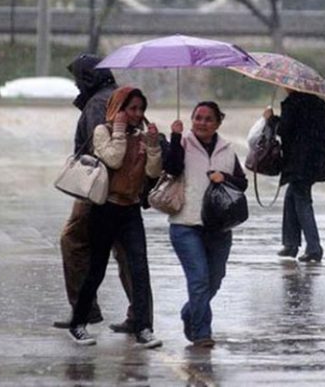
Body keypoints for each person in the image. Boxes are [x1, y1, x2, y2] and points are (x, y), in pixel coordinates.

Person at [68, 86, 162, 348]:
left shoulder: (143, 138)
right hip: (105, 208)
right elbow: (113, 161)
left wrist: (153, 146)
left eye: (141, 109)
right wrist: (119, 131)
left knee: (139, 269)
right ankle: (78, 323)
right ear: (118, 108)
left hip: (130, 210)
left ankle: (143, 327)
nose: (137, 114)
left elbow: (153, 173)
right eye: (131, 108)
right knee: (96, 268)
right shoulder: (103, 131)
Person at [56, 53, 143, 333]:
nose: (76, 85)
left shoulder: (97, 103)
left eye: (78, 78)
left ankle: (85, 310)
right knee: (126, 254)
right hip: (125, 190)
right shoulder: (119, 96)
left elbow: (99, 150)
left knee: (73, 241)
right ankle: (139, 314)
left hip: (99, 190)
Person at [163, 101, 248, 348]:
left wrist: (226, 177)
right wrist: (176, 135)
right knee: (199, 279)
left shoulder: (227, 150)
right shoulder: (181, 143)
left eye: (208, 119)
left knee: (215, 278)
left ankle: (190, 312)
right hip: (185, 224)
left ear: (218, 123)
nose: (202, 123)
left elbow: (241, 184)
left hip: (219, 227)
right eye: (198, 118)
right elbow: (171, 169)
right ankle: (202, 333)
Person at [264, 90, 325, 263]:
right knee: (292, 195)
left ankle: (314, 247)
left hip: (298, 162)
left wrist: (271, 118)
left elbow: (284, 130)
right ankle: (291, 244)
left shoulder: (292, 104)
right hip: (315, 160)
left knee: (302, 200)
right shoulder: (319, 103)